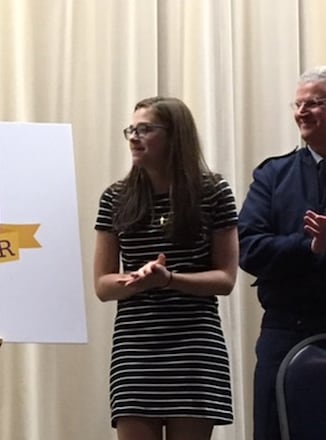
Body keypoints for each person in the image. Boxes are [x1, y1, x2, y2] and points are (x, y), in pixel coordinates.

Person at [93, 96, 238, 440]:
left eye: (145, 129)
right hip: (136, 348)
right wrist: (139, 281)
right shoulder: (115, 197)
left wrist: (169, 279)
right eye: (131, 130)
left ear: (175, 136)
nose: (134, 137)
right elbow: (102, 285)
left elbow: (226, 278)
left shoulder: (213, 192)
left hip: (194, 346)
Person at [238, 66, 326, 440]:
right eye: (298, 104)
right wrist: (309, 247)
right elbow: (249, 248)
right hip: (286, 329)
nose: (302, 112)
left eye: (314, 103)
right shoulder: (273, 176)